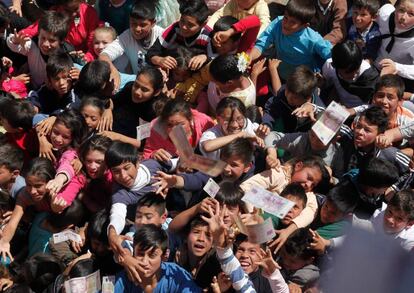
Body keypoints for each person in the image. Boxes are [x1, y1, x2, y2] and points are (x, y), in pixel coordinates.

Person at [105, 142, 173, 253]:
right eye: (116, 171)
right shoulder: (120, 192)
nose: (123, 176)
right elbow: (118, 215)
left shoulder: (152, 165)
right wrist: (112, 233)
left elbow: (176, 164)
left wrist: (174, 178)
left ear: (137, 163)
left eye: (127, 168)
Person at [249, 0, 332, 80]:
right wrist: (249, 57)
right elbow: (261, 44)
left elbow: (330, 54)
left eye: (293, 22)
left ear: (305, 25)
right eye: (285, 18)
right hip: (281, 74)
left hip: (301, 83)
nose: (286, 24)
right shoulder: (278, 23)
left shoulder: (313, 39)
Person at [114, 224, 202, 292]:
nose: (144, 262)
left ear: (164, 256)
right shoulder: (123, 279)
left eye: (152, 255)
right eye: (140, 254)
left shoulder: (176, 276)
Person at [99, 0, 164, 90]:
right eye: (133, 23)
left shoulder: (163, 36)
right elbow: (103, 55)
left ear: (153, 23)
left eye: (143, 25)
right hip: (136, 84)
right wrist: (113, 70)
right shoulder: (126, 36)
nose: (137, 29)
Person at [0, 158, 56, 261]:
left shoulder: (61, 195)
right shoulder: (25, 195)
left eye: (38, 186)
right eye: (28, 185)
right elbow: (13, 222)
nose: (32, 191)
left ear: (51, 181)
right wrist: (4, 242)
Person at [38, 110, 88, 213]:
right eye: (56, 132)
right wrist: (42, 139)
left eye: (65, 137)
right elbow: (37, 118)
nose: (58, 139)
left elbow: (67, 166)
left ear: (73, 138)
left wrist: (59, 180)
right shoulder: (48, 135)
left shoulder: (71, 154)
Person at [6, 11, 71, 89]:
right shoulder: (33, 45)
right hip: (33, 87)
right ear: (38, 34)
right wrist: (15, 40)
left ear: (61, 41)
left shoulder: (66, 54)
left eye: (52, 40)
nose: (45, 44)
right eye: (43, 38)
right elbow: (13, 46)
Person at [146, 0, 211, 71]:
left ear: (203, 24)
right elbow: (151, 53)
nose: (183, 27)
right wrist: (159, 60)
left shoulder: (209, 37)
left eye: (190, 25)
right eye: (182, 21)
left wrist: (205, 57)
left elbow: (218, 61)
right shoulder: (173, 29)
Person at [142, 99, 214, 162]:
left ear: (190, 119)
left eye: (180, 124)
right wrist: (153, 154)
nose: (174, 130)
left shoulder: (204, 122)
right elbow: (147, 154)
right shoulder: (155, 129)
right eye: (169, 125)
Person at [199, 97, 268, 160]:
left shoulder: (247, 124)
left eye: (239, 118)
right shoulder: (211, 134)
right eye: (229, 120)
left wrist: (262, 133)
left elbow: (259, 133)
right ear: (218, 119)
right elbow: (207, 147)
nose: (235, 125)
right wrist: (240, 135)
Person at [262, 65, 325, 133]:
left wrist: (313, 108)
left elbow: (324, 111)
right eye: (287, 91)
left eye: (294, 97)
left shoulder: (316, 103)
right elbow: (272, 108)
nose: (288, 98)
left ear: (307, 98)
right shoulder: (282, 93)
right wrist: (267, 123)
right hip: (287, 131)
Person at [111, 66, 166, 142]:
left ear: (156, 92)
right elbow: (112, 102)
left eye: (144, 90)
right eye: (136, 85)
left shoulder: (155, 109)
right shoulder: (129, 88)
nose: (137, 92)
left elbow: (142, 143)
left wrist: (117, 137)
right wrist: (107, 109)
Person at [321, 40, 380, 107]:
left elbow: (375, 103)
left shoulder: (370, 76)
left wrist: (353, 111)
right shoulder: (329, 67)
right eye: (348, 72)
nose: (354, 75)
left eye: (357, 70)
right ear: (335, 66)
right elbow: (326, 86)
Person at [375, 0, 414, 92]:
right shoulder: (384, 14)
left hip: (396, 78)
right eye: (401, 10)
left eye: (411, 14)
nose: (403, 17)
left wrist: (397, 67)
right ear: (395, 8)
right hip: (373, 64)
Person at [78, 135, 113, 213]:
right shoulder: (80, 168)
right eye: (89, 161)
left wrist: (83, 197)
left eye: (99, 162)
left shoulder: (114, 179)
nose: (92, 167)